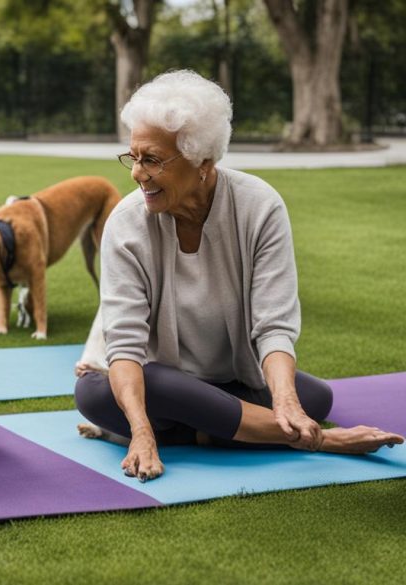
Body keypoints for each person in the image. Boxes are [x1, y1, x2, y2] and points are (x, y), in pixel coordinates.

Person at [74, 70, 403, 482]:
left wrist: (285, 401)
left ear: (203, 163)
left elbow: (274, 324)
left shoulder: (259, 207)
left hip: (230, 380)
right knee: (119, 388)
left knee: (315, 398)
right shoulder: (126, 223)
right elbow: (123, 345)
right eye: (133, 157)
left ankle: (196, 429)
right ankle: (305, 438)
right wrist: (142, 434)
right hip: (147, 377)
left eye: (152, 160)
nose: (137, 173)